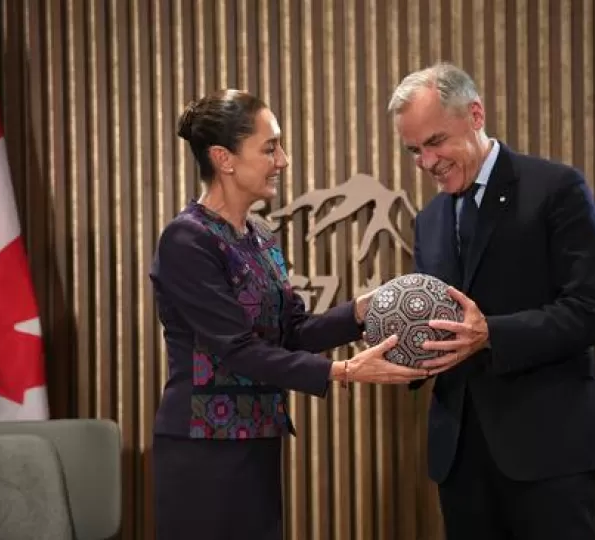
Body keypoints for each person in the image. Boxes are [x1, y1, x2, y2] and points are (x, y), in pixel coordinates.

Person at [149, 89, 427, 540]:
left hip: (258, 441)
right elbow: (237, 349)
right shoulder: (187, 239)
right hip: (203, 449)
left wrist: (363, 309)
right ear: (224, 158)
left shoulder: (260, 236)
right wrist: (343, 371)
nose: (283, 160)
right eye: (270, 147)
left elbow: (292, 331)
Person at [389, 62, 595, 539]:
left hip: (549, 453)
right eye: (414, 151)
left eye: (435, 142)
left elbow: (593, 310)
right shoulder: (428, 220)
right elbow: (438, 323)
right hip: (460, 461)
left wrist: (492, 333)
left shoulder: (556, 189)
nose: (427, 162)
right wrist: (404, 348)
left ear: (475, 115)